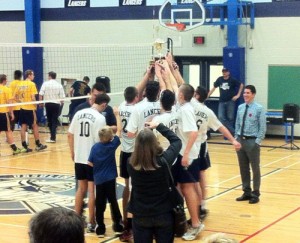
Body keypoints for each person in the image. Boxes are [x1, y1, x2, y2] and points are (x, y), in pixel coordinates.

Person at [127, 121, 182, 243]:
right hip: (164, 213)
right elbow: (176, 141)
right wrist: (159, 126)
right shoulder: (164, 161)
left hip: (141, 214)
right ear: (155, 143)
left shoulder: (131, 163)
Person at [192, 86, 241, 219]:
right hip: (200, 145)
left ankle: (198, 205)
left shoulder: (190, 104)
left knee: (193, 178)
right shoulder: (208, 112)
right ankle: (202, 204)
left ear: (196, 95)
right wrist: (233, 141)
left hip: (192, 146)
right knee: (200, 175)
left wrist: (172, 70)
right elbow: (221, 127)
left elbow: (179, 83)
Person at [68, 93, 110, 232]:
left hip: (79, 158)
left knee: (81, 189)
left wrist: (72, 151)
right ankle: (92, 222)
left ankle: (75, 219)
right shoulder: (100, 118)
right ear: (103, 104)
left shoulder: (79, 113)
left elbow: (70, 134)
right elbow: (101, 142)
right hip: (92, 160)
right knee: (92, 191)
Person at [173, 83, 204, 241]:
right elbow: (174, 86)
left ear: (181, 95)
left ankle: (196, 223)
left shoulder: (186, 110)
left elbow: (193, 133)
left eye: (178, 92)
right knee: (183, 188)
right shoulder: (184, 104)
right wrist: (166, 71)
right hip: (183, 153)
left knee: (188, 189)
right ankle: (189, 221)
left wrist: (185, 154)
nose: (176, 92)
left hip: (188, 155)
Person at [88, 125, 124, 238]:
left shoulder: (95, 147)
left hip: (99, 179)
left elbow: (90, 163)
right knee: (113, 201)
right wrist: (117, 114)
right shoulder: (112, 145)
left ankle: (100, 228)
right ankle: (118, 226)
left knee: (100, 202)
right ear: (110, 138)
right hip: (110, 179)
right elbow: (119, 132)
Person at [235, 85, 266, 204]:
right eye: (244, 93)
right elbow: (237, 123)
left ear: (253, 94)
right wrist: (236, 138)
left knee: (255, 168)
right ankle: (246, 191)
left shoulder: (259, 108)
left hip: (252, 141)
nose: (245, 95)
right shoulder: (241, 107)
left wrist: (257, 142)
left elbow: (262, 127)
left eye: (248, 93)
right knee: (243, 168)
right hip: (240, 141)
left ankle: (255, 192)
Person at [117, 86, 139, 241]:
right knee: (134, 188)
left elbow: (134, 91)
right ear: (136, 97)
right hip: (134, 152)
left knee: (127, 186)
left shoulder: (122, 106)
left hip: (124, 152)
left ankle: (126, 219)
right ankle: (130, 226)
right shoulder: (137, 110)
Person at [13, 69, 47, 152]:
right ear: (29, 75)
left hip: (22, 108)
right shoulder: (32, 84)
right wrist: (36, 105)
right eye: (33, 75)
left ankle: (24, 146)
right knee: (35, 125)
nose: (34, 76)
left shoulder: (20, 84)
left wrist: (20, 102)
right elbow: (33, 97)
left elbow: (14, 97)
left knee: (23, 126)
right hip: (30, 108)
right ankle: (38, 144)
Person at [208, 68, 244, 135]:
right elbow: (214, 88)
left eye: (225, 72)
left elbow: (241, 85)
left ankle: (230, 135)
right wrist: (207, 95)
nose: (224, 73)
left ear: (228, 72)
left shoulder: (232, 80)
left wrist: (238, 95)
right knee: (221, 117)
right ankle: (234, 132)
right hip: (221, 101)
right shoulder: (219, 79)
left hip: (230, 101)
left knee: (230, 118)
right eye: (223, 72)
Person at [39, 71, 65, 143]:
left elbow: (41, 94)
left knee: (50, 121)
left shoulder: (45, 84)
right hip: (56, 105)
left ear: (50, 76)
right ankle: (53, 137)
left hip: (48, 104)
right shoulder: (59, 85)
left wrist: (40, 103)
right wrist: (61, 106)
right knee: (54, 120)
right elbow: (62, 98)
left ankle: (52, 137)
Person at [0, 74, 22, 155]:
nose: (7, 81)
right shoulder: (6, 89)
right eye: (6, 79)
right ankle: (15, 149)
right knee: (8, 130)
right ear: (4, 80)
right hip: (3, 113)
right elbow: (9, 103)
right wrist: (12, 114)